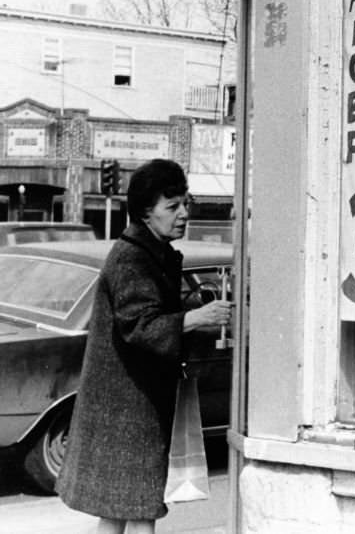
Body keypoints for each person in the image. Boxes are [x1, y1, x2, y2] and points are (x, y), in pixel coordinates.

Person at [57, 159, 233, 534]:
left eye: (185, 203)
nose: (184, 213)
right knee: (140, 508)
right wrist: (198, 317)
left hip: (125, 403)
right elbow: (140, 326)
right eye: (172, 207)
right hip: (129, 408)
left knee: (117, 509)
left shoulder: (151, 251)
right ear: (146, 213)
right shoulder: (133, 258)